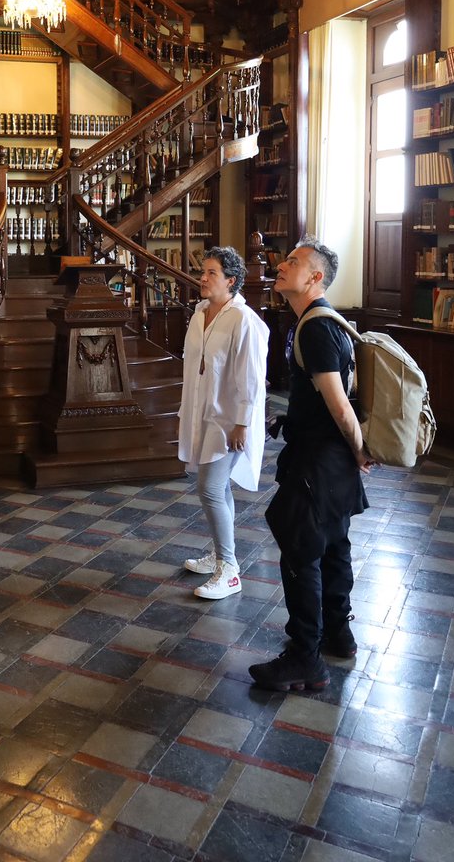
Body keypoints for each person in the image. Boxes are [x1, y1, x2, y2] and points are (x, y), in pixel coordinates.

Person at [249, 235, 373, 694]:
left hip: (319, 464)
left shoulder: (316, 327)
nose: (282, 265)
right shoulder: (322, 322)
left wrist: (360, 449)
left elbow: (340, 406)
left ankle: (305, 657)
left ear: (315, 277)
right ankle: (337, 634)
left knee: (302, 553)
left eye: (294, 262)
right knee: (334, 544)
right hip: (330, 462)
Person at [178, 246, 270, 599]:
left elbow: (250, 377)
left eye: (211, 273)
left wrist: (242, 423)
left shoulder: (243, 320)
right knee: (219, 488)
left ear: (231, 280)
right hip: (204, 412)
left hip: (229, 419)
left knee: (211, 488)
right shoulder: (200, 312)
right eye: (203, 271)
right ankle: (219, 554)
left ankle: (229, 570)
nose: (202, 277)